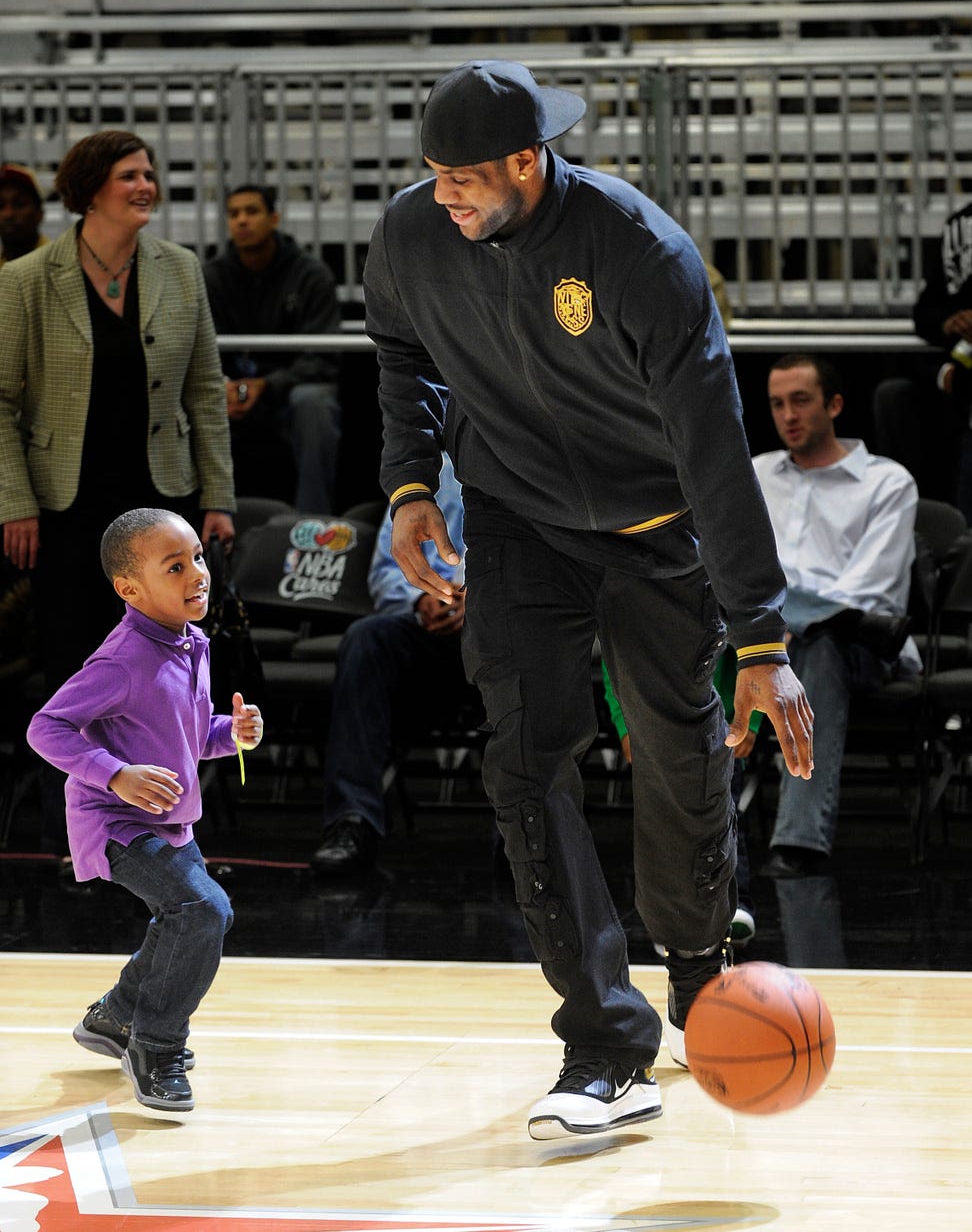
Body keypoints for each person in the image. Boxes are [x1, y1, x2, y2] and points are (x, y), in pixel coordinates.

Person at [362, 59, 813, 1141]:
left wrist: (759, 636)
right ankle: (604, 1044)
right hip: (517, 524)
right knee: (522, 761)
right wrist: (412, 482)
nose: (446, 196)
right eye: (431, 175)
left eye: (464, 176)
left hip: (657, 535)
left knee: (673, 751)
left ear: (529, 158)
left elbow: (714, 451)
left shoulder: (639, 252)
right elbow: (399, 349)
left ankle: (697, 963)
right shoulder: (415, 233)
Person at [0, 130, 235, 862]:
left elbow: (204, 389)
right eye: (130, 175)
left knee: (175, 671)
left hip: (161, 492)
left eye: (149, 174)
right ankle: (81, 836)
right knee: (77, 665)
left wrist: (219, 496)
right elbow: (1, 400)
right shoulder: (27, 279)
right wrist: (15, 502)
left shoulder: (181, 269)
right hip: (64, 505)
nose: (146, 186)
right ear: (91, 186)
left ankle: (182, 829)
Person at [26, 507, 263, 1112]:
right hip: (114, 822)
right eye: (175, 566)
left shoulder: (191, 643)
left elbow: (183, 734)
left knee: (193, 915)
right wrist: (116, 775)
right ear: (129, 589)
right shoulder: (123, 658)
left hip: (168, 819)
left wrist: (229, 733)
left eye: (199, 559)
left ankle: (116, 1016)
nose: (197, 574)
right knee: (203, 908)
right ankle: (154, 1044)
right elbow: (45, 728)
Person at [754, 353, 919, 879]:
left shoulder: (887, 482)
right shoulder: (754, 474)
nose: (788, 415)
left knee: (821, 643)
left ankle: (799, 844)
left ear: (835, 404)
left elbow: (869, 589)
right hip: (760, 641)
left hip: (863, 648)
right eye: (778, 404)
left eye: (801, 400)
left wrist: (789, 620)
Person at [311, 453, 468, 876]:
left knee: (534, 648)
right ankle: (351, 821)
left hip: (508, 633)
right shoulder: (429, 473)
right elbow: (385, 570)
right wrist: (422, 598)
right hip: (429, 632)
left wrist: (483, 599)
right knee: (366, 639)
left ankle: (531, 841)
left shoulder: (535, 453)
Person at [602, 647, 761, 946]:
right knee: (663, 830)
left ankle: (735, 904)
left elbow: (754, 653)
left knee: (725, 819)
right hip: (656, 732)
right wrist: (625, 727)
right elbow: (616, 663)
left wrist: (748, 719)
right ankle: (670, 920)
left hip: (721, 729)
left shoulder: (721, 602)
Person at [203, 184, 343, 513]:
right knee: (191, 401)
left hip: (288, 390)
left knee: (314, 404)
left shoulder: (310, 274)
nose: (242, 221)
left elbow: (323, 357)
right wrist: (224, 387)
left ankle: (313, 524)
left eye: (252, 211)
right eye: (234, 214)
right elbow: (201, 351)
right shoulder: (211, 277)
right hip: (230, 388)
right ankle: (202, 523)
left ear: (274, 218)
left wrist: (267, 385)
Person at [873, 196, 972, 526]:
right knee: (970, 541)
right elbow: (926, 313)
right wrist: (950, 321)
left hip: (969, 392)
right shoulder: (965, 226)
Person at [0, 163, 47, 266]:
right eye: (0, 205)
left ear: (39, 213)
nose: (8, 214)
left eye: (19, 204)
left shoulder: (61, 266)